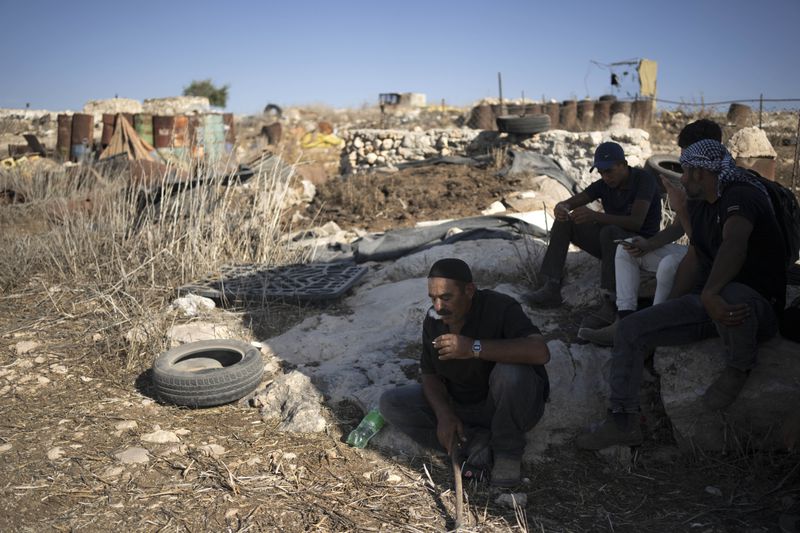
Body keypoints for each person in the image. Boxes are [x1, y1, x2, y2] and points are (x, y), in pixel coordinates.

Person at [576, 139, 786, 450]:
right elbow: (697, 255)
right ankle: (622, 420)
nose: (682, 179)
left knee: (731, 296)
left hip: (755, 302)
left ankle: (739, 367)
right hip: (708, 302)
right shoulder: (700, 204)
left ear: (701, 173)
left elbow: (734, 244)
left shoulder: (741, 195)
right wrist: (667, 312)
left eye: (686, 173)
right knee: (634, 327)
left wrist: (711, 293)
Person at [379, 258, 550, 487]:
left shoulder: (500, 308)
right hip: (462, 407)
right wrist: (444, 414)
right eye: (433, 298)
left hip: (508, 405)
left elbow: (540, 352)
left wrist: (473, 348)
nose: (439, 307)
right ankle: (476, 444)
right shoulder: (434, 320)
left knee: (511, 372)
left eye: (446, 297)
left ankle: (507, 452)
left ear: (469, 290)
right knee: (392, 403)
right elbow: (429, 374)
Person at [578, 119, 724, 346]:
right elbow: (677, 229)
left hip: (712, 262)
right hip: (693, 252)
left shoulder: (724, 185)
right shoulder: (692, 182)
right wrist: (649, 244)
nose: (682, 163)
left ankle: (650, 330)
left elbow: (706, 247)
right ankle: (623, 321)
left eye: (686, 155)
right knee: (625, 248)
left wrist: (681, 209)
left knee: (667, 265)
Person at [527, 141, 662, 331]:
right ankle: (552, 285)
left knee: (609, 231)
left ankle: (610, 302)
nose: (605, 176)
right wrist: (562, 207)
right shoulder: (604, 184)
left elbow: (636, 222)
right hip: (612, 246)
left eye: (609, 171)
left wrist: (595, 216)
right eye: (601, 172)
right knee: (566, 221)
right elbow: (577, 200)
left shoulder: (643, 180)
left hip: (641, 247)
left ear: (623, 165)